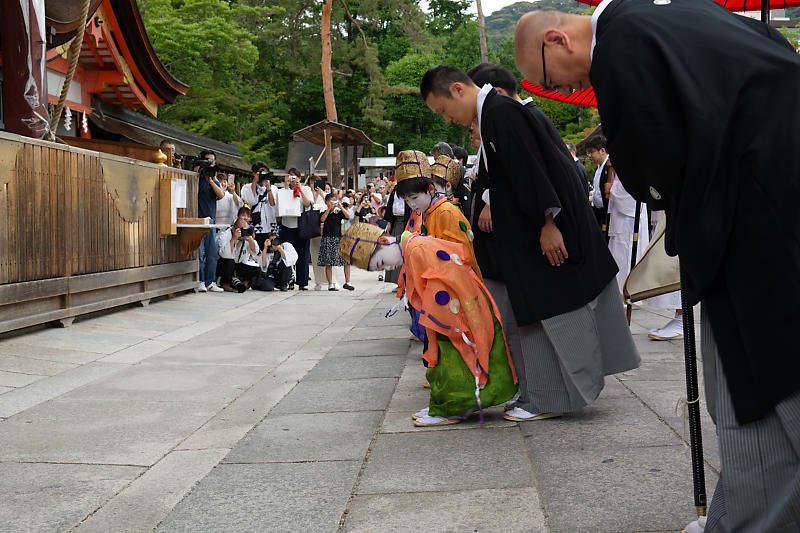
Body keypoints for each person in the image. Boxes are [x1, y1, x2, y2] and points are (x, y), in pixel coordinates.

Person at [515, 4, 800, 531]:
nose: (561, 85)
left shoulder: (621, 50)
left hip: (756, 218)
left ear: (557, 40)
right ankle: (749, 517)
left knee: (770, 377)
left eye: (549, 76)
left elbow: (653, 161)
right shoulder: (666, 16)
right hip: (763, 197)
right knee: (746, 383)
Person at [420, 65, 640, 423]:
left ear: (457, 89)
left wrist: (549, 221)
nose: (449, 119)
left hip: (542, 230)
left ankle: (552, 397)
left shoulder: (502, 113)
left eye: (443, 110)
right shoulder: (493, 114)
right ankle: (541, 394)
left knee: (553, 312)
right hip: (524, 236)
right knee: (535, 316)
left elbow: (536, 169)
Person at [339, 223, 517, 427]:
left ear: (383, 240)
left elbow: (445, 281)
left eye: (381, 263)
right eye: (380, 268)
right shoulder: (414, 248)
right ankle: (441, 405)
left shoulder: (417, 250)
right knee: (444, 360)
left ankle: (451, 408)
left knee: (454, 362)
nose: (387, 268)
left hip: (455, 315)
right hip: (451, 313)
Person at [604, 156, 649, 295]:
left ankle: (626, 291)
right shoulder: (617, 174)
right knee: (618, 255)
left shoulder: (632, 170)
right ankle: (617, 291)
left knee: (626, 256)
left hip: (628, 223)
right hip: (619, 222)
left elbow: (630, 198)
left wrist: (611, 190)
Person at [195, 150, 225, 293]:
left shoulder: (213, 179)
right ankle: (200, 281)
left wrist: (211, 181)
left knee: (212, 254)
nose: (210, 163)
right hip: (197, 221)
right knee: (199, 254)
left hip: (211, 221)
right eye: (207, 160)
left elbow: (221, 195)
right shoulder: (196, 176)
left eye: (212, 161)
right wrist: (198, 172)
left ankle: (210, 282)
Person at [278, 168, 313, 290]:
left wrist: (300, 189)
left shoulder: (306, 189)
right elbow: (280, 204)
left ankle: (302, 282)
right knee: (288, 254)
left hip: (301, 225)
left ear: (299, 178)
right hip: (287, 225)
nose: (293, 179)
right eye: (290, 177)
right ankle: (289, 280)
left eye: (295, 177)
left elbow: (308, 204)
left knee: (303, 255)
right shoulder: (283, 190)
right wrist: (287, 187)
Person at [318, 193, 354, 291]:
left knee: (346, 261)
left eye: (334, 200)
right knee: (329, 263)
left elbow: (348, 216)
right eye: (330, 201)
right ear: (326, 202)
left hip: (339, 238)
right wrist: (329, 209)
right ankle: (330, 284)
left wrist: (341, 207)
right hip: (327, 239)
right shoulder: (323, 211)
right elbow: (322, 219)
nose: (332, 203)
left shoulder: (339, 212)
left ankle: (348, 282)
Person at [216, 216, 260, 292]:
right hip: (223, 264)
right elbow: (225, 255)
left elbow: (255, 252)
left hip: (238, 264)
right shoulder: (225, 235)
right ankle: (225, 283)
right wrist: (234, 238)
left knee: (256, 269)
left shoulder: (246, 237)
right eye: (241, 230)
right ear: (233, 229)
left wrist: (250, 240)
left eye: (245, 230)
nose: (243, 232)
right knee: (230, 262)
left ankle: (243, 283)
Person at [240, 162, 277, 248]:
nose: (263, 175)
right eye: (260, 172)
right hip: (256, 225)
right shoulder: (247, 187)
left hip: (270, 225)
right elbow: (251, 201)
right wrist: (255, 181)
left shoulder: (273, 188)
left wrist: (268, 188)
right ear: (254, 173)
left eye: (265, 172)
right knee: (257, 251)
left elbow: (273, 203)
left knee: (271, 252)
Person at [382, 176, 411, 285]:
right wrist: (389, 222)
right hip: (396, 222)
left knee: (405, 250)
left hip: (407, 221)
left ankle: (406, 281)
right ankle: (397, 281)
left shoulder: (409, 189)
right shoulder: (395, 190)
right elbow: (390, 206)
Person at [585, 136, 612, 230]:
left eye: (591, 152)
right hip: (598, 212)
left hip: (608, 212)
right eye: (587, 152)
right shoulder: (598, 168)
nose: (589, 155)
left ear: (602, 151)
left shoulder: (610, 167)